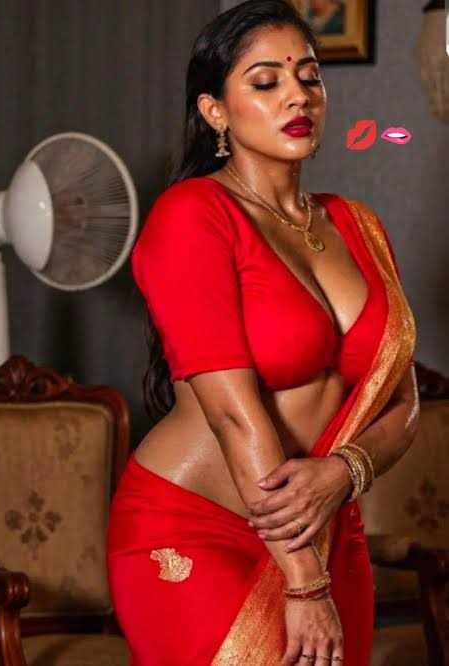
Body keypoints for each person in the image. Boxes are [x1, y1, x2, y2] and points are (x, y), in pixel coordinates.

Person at [106, 1, 418, 664]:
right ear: (215, 111)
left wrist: (343, 473)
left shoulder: (359, 225)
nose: (297, 96)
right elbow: (232, 415)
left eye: (310, 77)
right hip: (199, 527)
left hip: (329, 523)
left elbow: (403, 401)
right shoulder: (192, 216)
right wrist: (305, 583)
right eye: (266, 81)